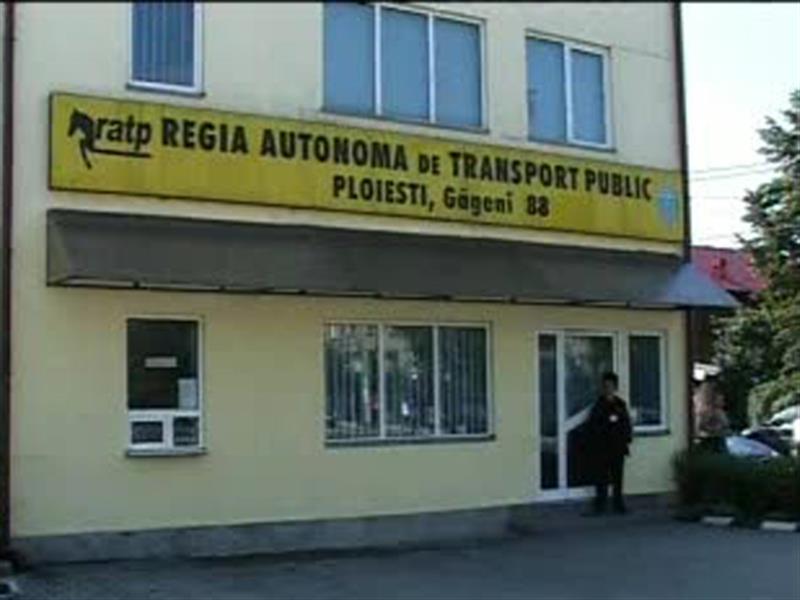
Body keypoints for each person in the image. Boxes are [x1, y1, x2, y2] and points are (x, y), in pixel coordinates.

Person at [584, 371, 633, 515]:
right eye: (606, 386)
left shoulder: (620, 404)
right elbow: (593, 425)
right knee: (601, 477)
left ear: (615, 387)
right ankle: (600, 505)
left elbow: (626, 423)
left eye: (611, 386)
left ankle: (618, 504)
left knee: (618, 477)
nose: (608, 388)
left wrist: (627, 439)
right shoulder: (599, 405)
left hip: (617, 447)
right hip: (602, 447)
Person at [693, 375, 730, 453]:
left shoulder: (716, 411)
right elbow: (699, 426)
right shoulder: (709, 410)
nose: (722, 399)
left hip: (713, 439)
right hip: (710, 440)